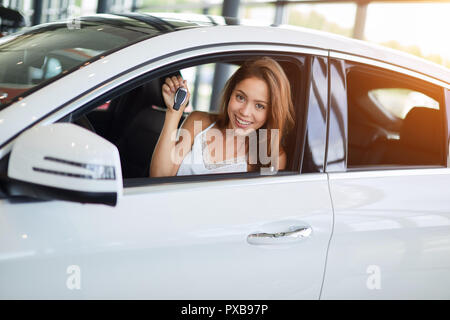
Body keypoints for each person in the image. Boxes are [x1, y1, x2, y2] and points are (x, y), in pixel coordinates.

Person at [149, 57, 295, 177]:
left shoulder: (271, 156)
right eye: (240, 97)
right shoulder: (199, 121)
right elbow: (159, 177)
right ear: (230, 93)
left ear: (272, 112)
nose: (245, 112)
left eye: (259, 106)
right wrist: (174, 112)